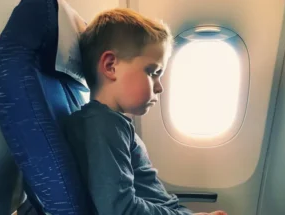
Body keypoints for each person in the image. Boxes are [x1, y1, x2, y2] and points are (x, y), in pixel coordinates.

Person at [63, 8, 228, 215]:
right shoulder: (104, 125)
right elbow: (120, 209)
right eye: (152, 72)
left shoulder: (110, 122)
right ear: (111, 65)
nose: (159, 87)